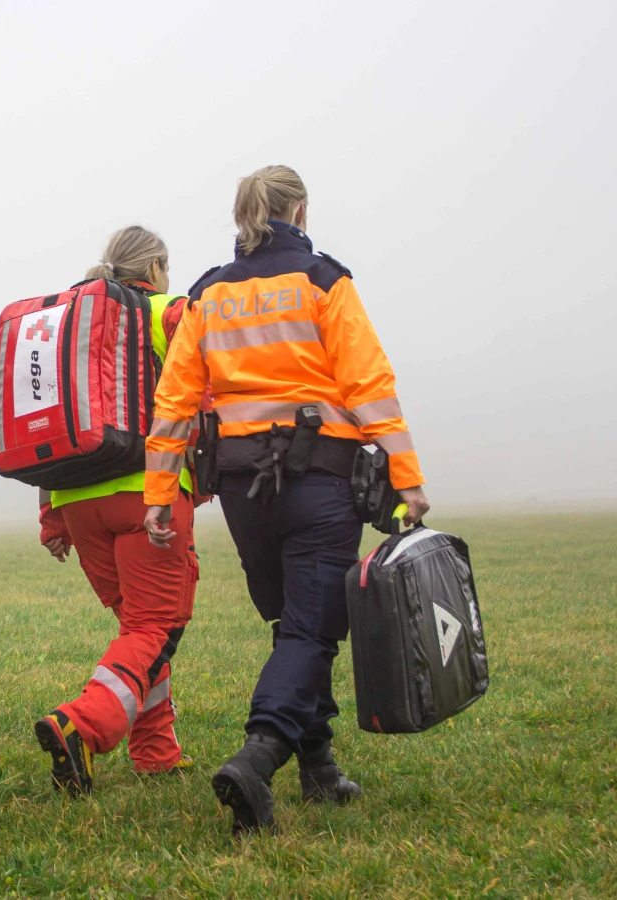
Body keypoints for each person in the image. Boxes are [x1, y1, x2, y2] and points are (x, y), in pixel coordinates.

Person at [142, 165, 430, 833]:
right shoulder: (324, 280)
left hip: (243, 493)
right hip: (319, 484)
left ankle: (319, 766)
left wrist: (160, 492)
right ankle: (258, 757)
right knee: (310, 629)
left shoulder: (208, 292)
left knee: (294, 624)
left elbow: (175, 401)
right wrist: (406, 476)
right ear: (298, 211)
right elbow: (370, 384)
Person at [33, 226, 202, 794]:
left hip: (76, 501)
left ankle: (155, 752)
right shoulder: (163, 311)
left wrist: (51, 514)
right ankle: (78, 724)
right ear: (153, 267)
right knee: (156, 626)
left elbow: (56, 416)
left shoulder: (74, 325)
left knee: (139, 631)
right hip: (146, 495)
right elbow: (212, 370)